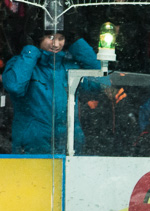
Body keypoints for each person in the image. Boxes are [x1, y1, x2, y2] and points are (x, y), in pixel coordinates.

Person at [3, 26, 101, 154]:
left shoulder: (69, 66)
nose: (56, 44)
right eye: (50, 38)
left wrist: (78, 44)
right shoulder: (22, 62)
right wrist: (31, 50)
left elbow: (98, 83)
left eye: (61, 38)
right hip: (32, 146)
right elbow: (14, 86)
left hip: (69, 145)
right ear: (39, 38)